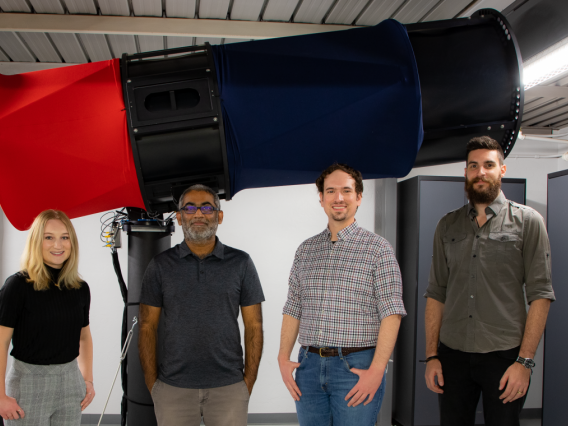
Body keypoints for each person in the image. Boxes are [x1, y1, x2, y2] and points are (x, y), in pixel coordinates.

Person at [424, 136, 555, 426]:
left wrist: (524, 363)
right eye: (473, 166)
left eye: (488, 165)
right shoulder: (447, 225)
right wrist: (432, 355)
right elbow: (436, 293)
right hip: (453, 356)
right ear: (466, 172)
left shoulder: (528, 222)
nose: (480, 172)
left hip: (505, 356)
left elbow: (541, 295)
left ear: (502, 170)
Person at [278, 163, 406, 426]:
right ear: (322, 199)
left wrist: (377, 371)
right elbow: (293, 307)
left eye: (346, 191)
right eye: (331, 191)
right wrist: (282, 358)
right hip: (309, 366)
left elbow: (391, 313)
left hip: (356, 367)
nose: (338, 198)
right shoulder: (306, 250)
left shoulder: (378, 249)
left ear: (358, 197)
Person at [139, 184, 265, 426]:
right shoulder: (160, 265)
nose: (198, 214)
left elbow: (254, 326)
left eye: (207, 207)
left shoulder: (241, 263)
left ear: (219, 216)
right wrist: (154, 385)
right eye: (190, 208)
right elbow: (146, 327)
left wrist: (246, 383)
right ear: (179, 216)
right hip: (172, 389)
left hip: (229, 387)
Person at [0, 210, 94, 425]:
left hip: (71, 383)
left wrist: (87, 379)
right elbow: (1, 341)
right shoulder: (17, 286)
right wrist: (0, 396)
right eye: (49, 237)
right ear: (36, 241)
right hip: (28, 383)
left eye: (64, 237)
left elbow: (84, 337)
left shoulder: (80, 288)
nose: (57, 245)